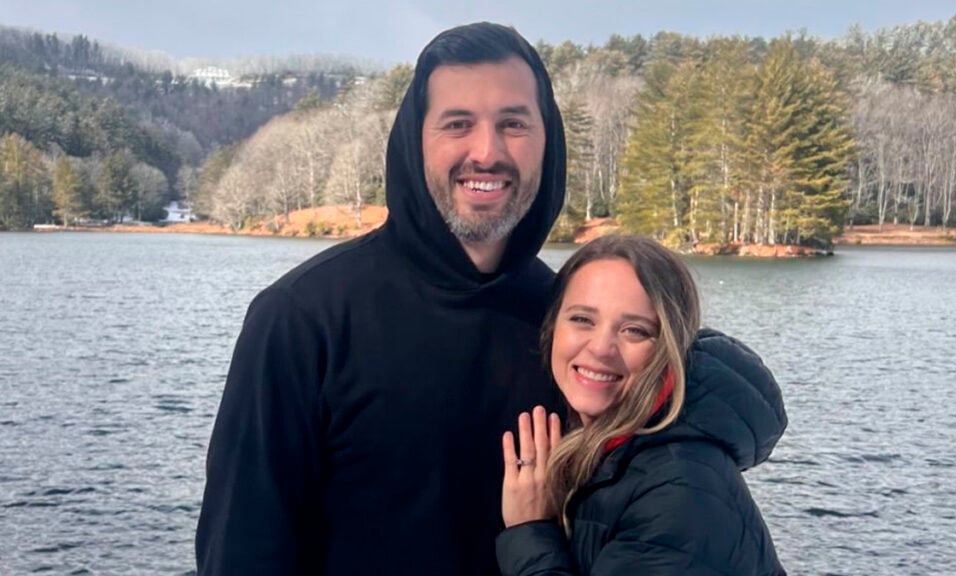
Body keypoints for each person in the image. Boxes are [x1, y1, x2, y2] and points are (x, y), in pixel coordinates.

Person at [195, 22, 566, 575]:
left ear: (547, 141)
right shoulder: (301, 318)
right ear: (416, 141)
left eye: (513, 124)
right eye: (457, 124)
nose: (486, 152)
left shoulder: (572, 325)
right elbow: (242, 551)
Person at [497, 235, 788, 575]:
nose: (601, 347)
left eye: (635, 330)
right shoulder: (611, 450)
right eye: (582, 319)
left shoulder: (679, 492)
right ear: (552, 329)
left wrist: (529, 532)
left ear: (670, 348)